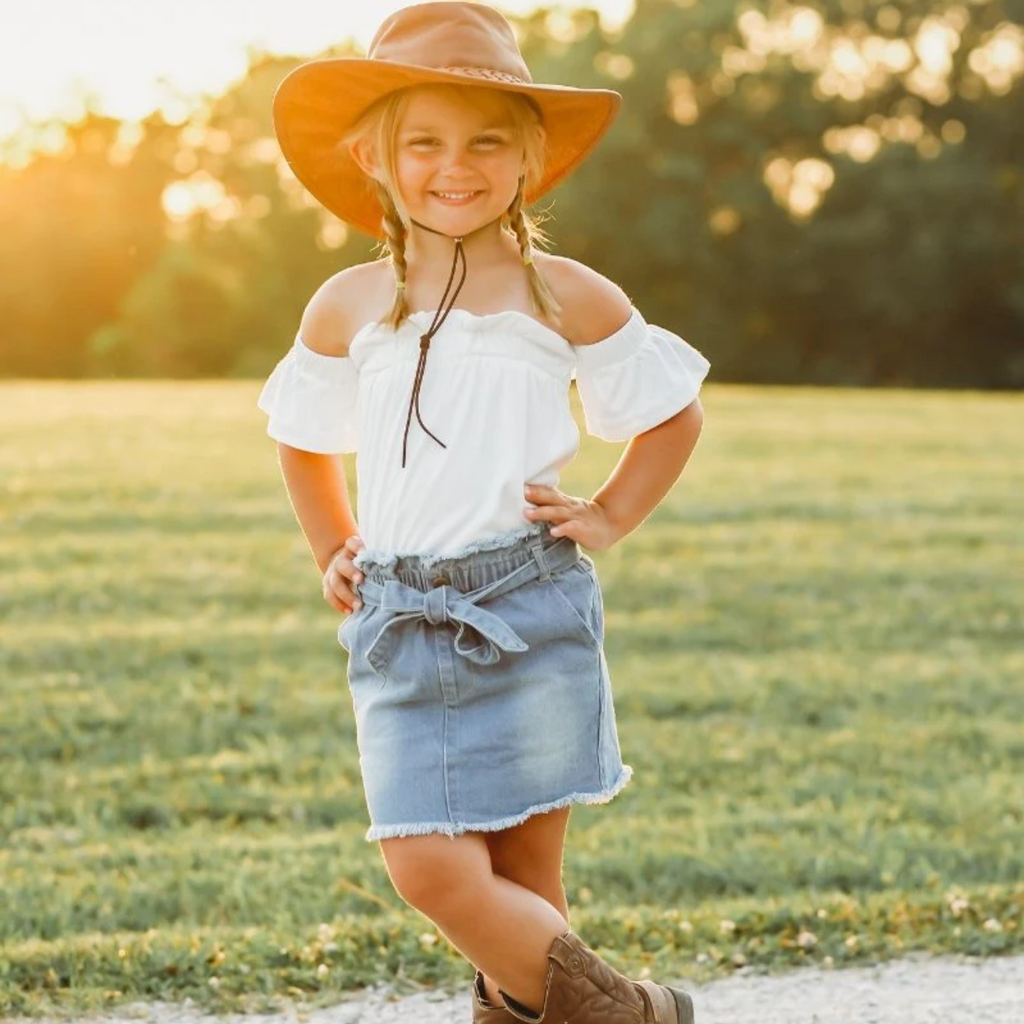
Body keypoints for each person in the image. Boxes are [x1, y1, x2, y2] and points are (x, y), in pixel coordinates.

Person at [257, 4, 710, 1023]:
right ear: (372, 156)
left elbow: (671, 416)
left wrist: (609, 513)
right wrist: (333, 543)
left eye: (485, 142)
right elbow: (300, 432)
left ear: (527, 158)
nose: (452, 166)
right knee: (426, 865)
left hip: (530, 603)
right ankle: (632, 1013)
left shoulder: (566, 296)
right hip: (401, 623)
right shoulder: (345, 306)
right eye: (423, 142)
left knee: (527, 880)